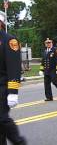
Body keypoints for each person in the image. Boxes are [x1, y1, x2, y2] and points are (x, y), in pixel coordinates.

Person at [0, 11, 27, 145]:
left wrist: (13, 92)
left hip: (3, 88)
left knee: (2, 119)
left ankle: (18, 142)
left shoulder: (9, 41)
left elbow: (13, 69)